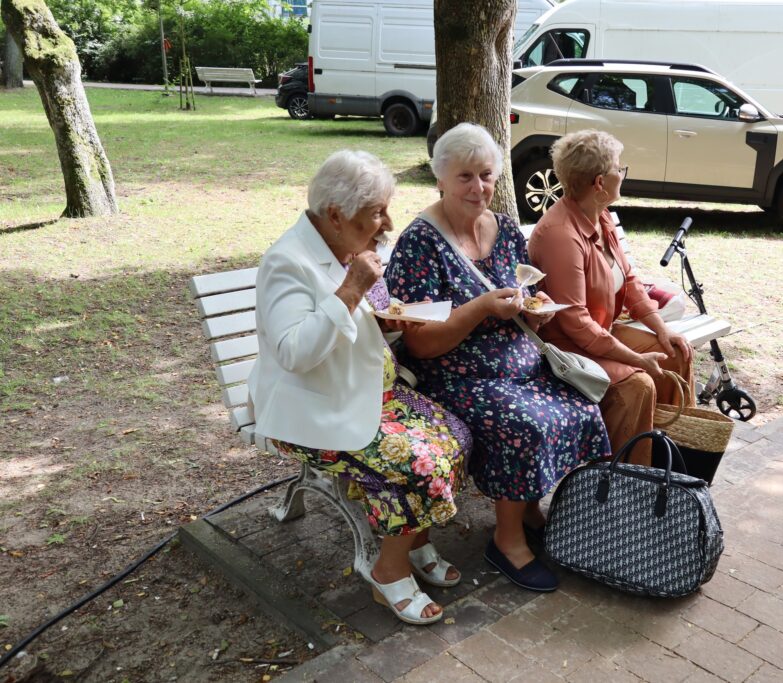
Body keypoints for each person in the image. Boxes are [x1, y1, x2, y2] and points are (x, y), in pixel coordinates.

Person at [248, 149, 472, 626]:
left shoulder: (345, 247)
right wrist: (351, 290)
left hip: (370, 390)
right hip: (314, 411)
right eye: (376, 212)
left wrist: (395, 315)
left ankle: (415, 540)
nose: (388, 221)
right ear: (335, 214)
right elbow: (293, 352)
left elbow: (367, 322)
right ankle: (387, 571)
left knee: (455, 434)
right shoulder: (286, 262)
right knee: (418, 462)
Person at [385, 123, 611, 593]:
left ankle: (527, 510)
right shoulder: (420, 243)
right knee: (524, 423)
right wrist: (483, 308)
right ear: (441, 179)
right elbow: (420, 344)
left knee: (581, 406)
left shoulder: (505, 227)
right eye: (465, 176)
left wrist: (536, 313)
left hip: (519, 362)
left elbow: (524, 293)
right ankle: (506, 541)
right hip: (453, 374)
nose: (478, 187)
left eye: (486, 175)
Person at [527, 129, 695, 466]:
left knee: (675, 351)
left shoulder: (599, 214)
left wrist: (661, 329)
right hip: (567, 347)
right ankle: (627, 484)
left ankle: (675, 467)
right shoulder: (561, 235)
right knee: (640, 385)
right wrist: (635, 359)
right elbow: (576, 325)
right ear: (600, 182)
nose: (623, 172)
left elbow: (630, 281)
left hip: (601, 334)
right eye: (620, 168)